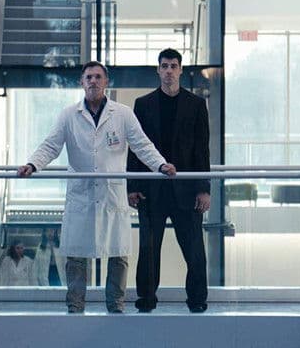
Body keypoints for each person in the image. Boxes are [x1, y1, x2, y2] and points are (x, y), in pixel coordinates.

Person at [17, 61, 176, 313]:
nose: (93, 81)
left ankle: (116, 306)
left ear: (106, 82)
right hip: (81, 195)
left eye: (98, 77)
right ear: (81, 82)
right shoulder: (68, 115)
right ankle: (75, 307)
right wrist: (32, 164)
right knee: (76, 256)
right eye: (89, 77)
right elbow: (51, 145)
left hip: (111, 194)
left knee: (118, 255)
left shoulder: (122, 113)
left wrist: (160, 164)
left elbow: (142, 144)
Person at [127, 48, 210, 313]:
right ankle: (146, 299)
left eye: (174, 66)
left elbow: (202, 149)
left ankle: (197, 301)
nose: (169, 71)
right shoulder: (143, 104)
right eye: (164, 66)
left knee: (194, 250)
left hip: (187, 190)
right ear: (158, 70)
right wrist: (132, 186)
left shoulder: (196, 105)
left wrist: (204, 189)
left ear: (181, 70)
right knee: (149, 249)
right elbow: (135, 148)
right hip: (151, 190)